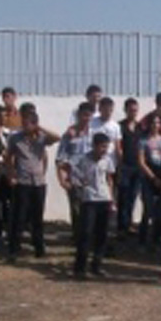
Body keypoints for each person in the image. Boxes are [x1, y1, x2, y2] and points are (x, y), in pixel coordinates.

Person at [4, 104, 60, 262]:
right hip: (22, 181)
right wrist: (11, 175)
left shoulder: (41, 138)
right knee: (19, 217)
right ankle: (14, 249)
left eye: (28, 123)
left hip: (38, 182)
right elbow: (8, 157)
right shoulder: (15, 138)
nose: (24, 125)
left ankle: (39, 248)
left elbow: (57, 137)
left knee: (37, 218)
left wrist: (39, 128)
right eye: (24, 122)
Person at [70, 132, 117, 280]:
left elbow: (109, 179)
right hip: (89, 199)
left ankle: (97, 264)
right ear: (95, 146)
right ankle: (80, 267)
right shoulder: (83, 160)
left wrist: (112, 199)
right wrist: (80, 186)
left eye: (106, 147)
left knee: (102, 234)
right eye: (102, 146)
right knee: (86, 233)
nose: (104, 150)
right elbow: (73, 175)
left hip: (104, 198)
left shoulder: (107, 160)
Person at [57, 101, 96, 239]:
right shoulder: (68, 135)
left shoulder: (94, 135)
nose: (87, 118)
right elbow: (60, 158)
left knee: (91, 210)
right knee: (76, 210)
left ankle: (89, 237)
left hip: (91, 179)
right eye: (84, 115)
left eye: (89, 115)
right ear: (79, 115)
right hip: (74, 178)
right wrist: (62, 180)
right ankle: (78, 237)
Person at [137, 112, 161, 249]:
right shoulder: (142, 141)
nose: (155, 125)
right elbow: (141, 162)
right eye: (152, 123)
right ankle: (142, 240)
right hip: (148, 177)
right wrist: (153, 178)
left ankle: (156, 239)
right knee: (148, 209)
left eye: (157, 123)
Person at [115, 97, 144, 237]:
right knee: (123, 196)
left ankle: (129, 224)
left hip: (137, 167)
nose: (133, 112)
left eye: (135, 110)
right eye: (131, 110)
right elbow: (118, 146)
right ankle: (121, 226)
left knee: (132, 196)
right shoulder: (119, 126)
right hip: (124, 166)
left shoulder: (140, 127)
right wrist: (120, 165)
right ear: (125, 110)